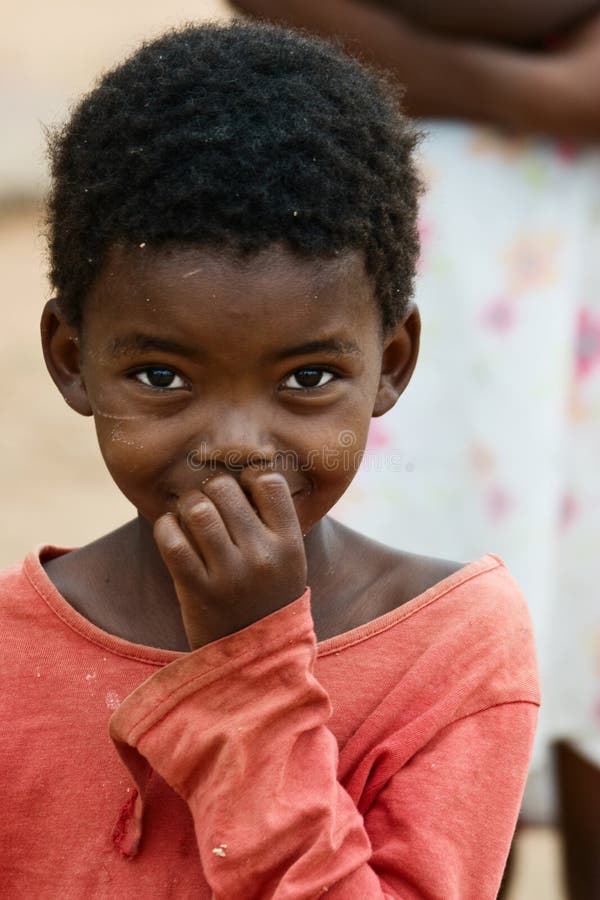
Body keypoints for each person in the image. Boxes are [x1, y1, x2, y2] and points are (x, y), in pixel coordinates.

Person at [0, 21, 540, 899]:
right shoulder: (12, 651)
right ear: (71, 358)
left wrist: (249, 670)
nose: (238, 446)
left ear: (391, 364)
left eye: (308, 377)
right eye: (163, 375)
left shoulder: (452, 646)